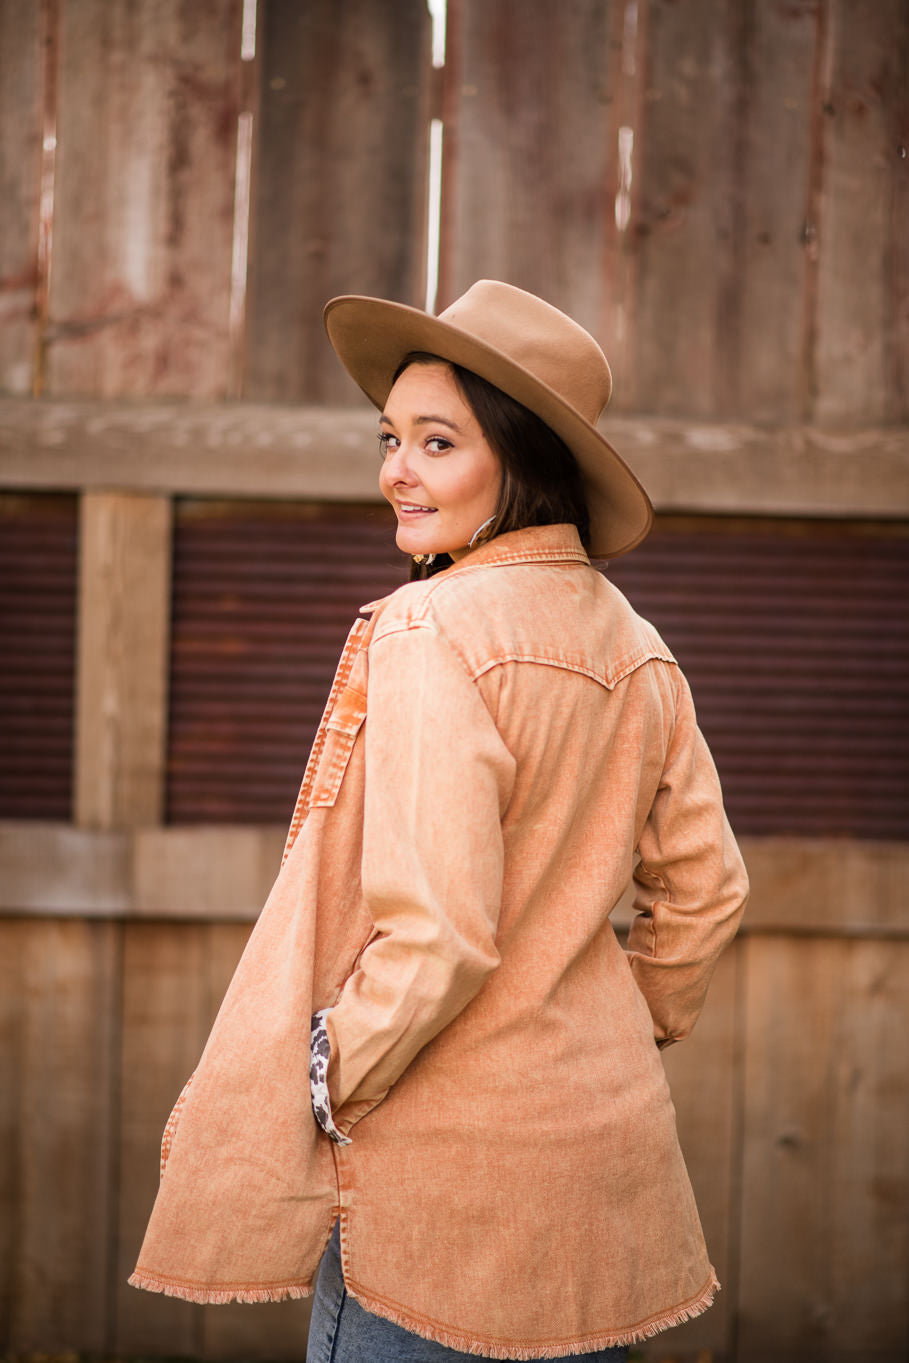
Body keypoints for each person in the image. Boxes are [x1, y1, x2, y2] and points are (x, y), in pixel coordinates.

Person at [131, 281, 749, 1362]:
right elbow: (706, 892)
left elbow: (439, 935)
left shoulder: (428, 627)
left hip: (438, 1190)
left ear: (522, 458)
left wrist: (322, 1078)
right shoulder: (638, 643)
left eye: (437, 442)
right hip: (605, 1178)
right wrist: (611, 1024)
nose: (396, 472)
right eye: (390, 438)